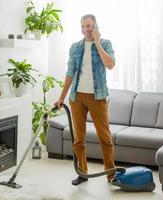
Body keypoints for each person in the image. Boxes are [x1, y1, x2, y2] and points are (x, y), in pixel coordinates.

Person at [54, 14, 116, 185]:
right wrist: (61, 97)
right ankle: (82, 172)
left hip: (98, 97)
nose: (85, 30)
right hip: (78, 97)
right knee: (78, 138)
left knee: (105, 138)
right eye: (83, 26)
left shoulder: (105, 44)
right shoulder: (75, 47)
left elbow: (110, 65)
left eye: (88, 26)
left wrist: (97, 43)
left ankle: (111, 175)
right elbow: (70, 73)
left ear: (95, 26)